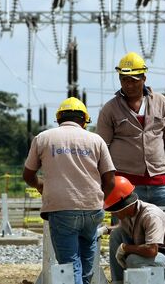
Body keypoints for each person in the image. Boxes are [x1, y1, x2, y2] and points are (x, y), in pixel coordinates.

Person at [96, 52, 165, 283]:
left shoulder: (161, 102)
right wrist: (104, 182)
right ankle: (121, 279)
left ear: (144, 77)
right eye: (124, 80)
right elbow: (101, 147)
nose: (128, 84)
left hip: (158, 180)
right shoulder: (111, 109)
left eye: (133, 79)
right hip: (124, 186)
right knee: (121, 233)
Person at [23, 97, 116, 284]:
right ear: (84, 120)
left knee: (70, 264)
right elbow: (110, 181)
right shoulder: (96, 140)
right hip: (92, 209)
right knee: (86, 263)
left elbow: (28, 175)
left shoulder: (43, 138)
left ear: (58, 119)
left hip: (61, 209)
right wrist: (98, 200)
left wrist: (41, 186)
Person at [106, 176, 165, 284]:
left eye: (114, 210)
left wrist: (126, 248)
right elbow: (120, 229)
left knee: (132, 259)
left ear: (124, 206)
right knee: (116, 234)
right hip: (151, 253)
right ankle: (118, 282)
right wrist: (106, 230)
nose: (113, 213)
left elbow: (152, 250)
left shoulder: (151, 216)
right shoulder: (129, 213)